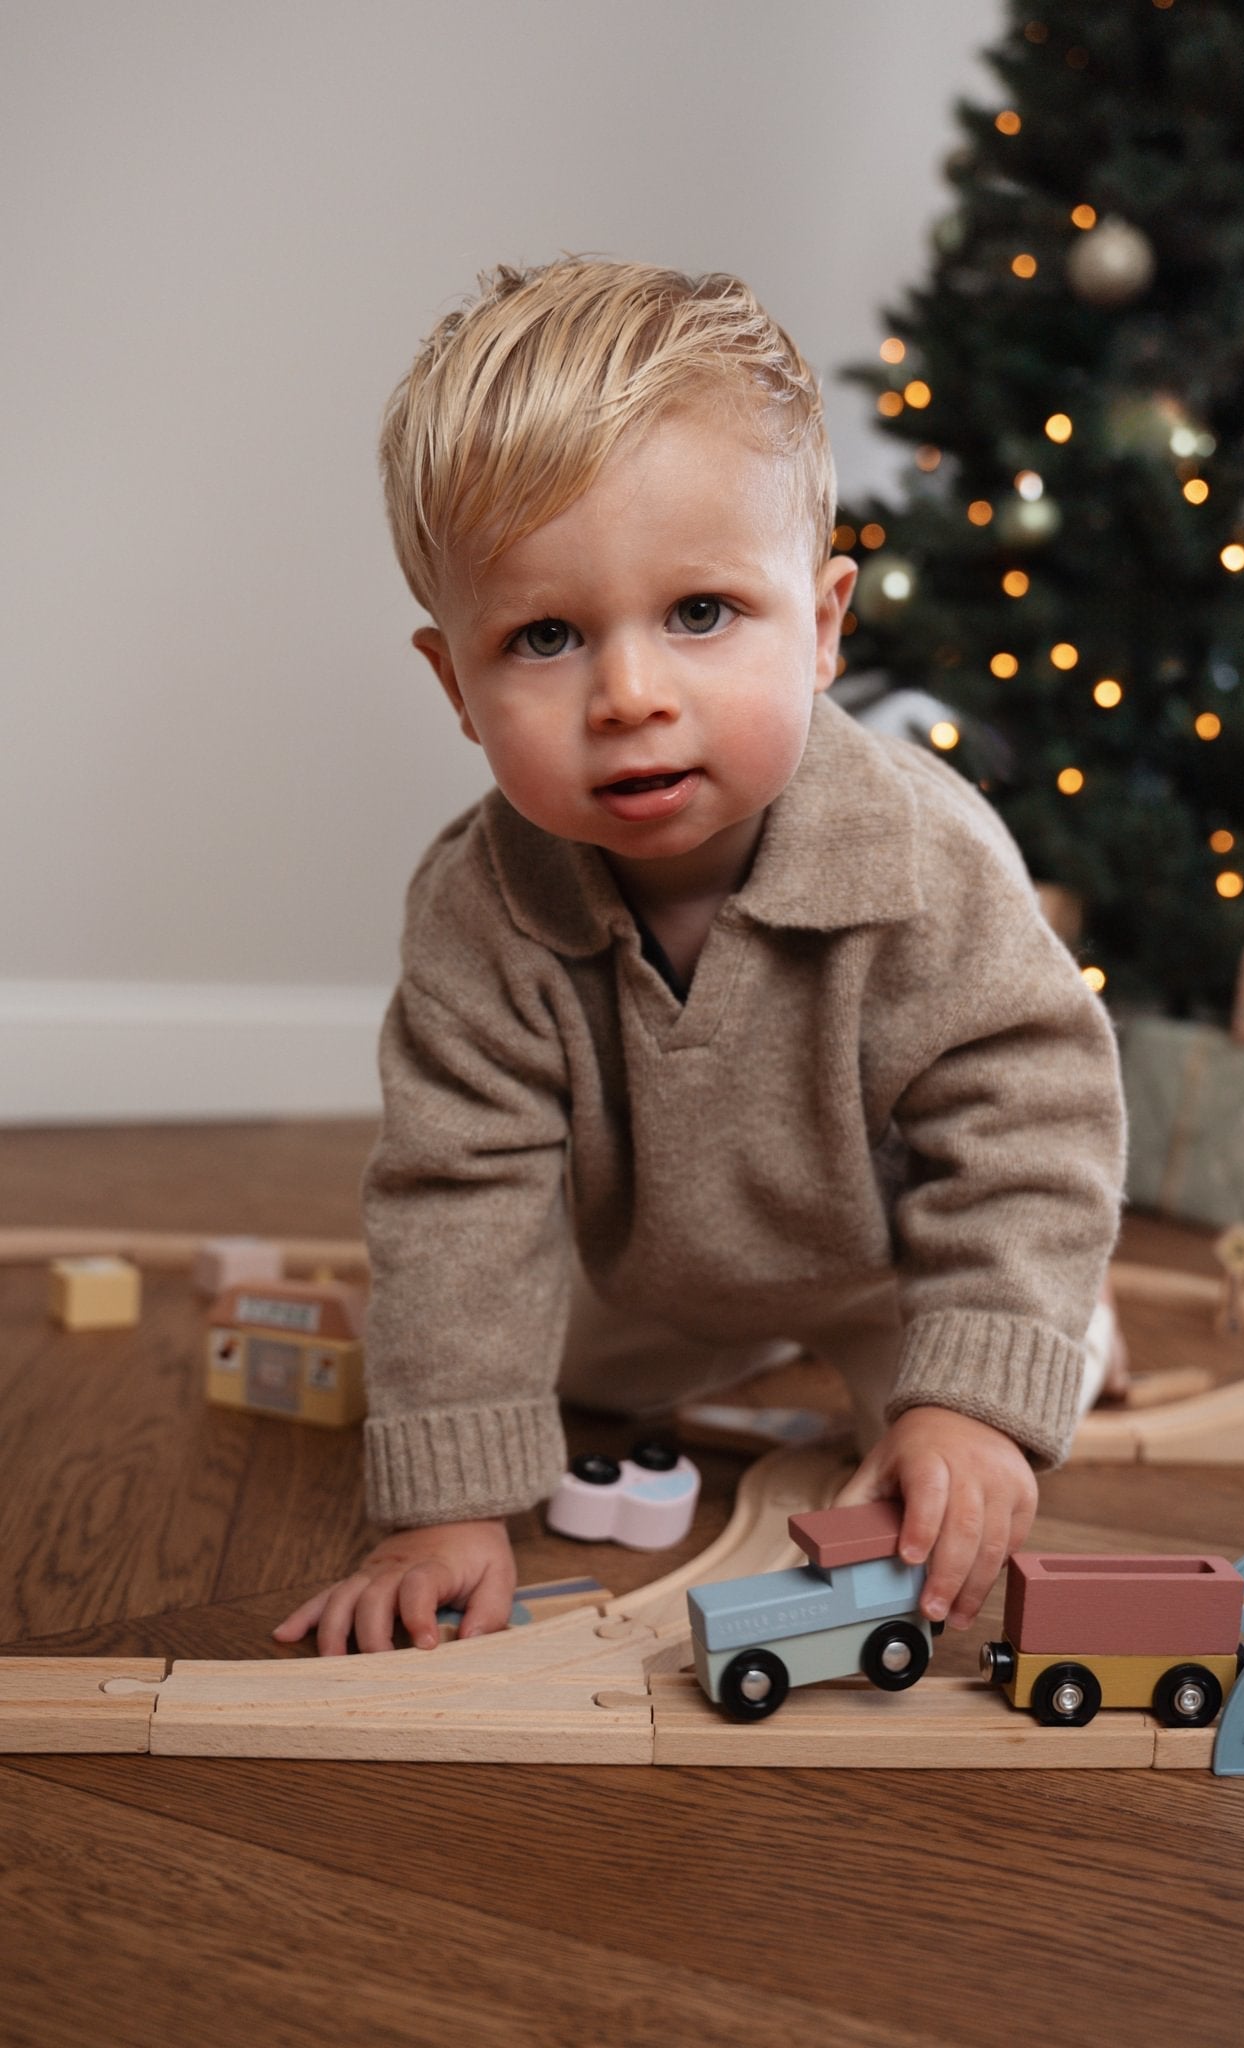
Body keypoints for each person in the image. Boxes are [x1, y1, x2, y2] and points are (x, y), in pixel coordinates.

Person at [274, 258, 1126, 1659]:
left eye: (700, 614)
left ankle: (1038, 1341)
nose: (628, 695)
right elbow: (460, 1196)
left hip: (882, 1271)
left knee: (991, 1400)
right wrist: (448, 1508)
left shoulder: (922, 859)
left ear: (824, 626)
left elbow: (1029, 1120)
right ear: (455, 688)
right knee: (455, 1375)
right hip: (642, 1282)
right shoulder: (476, 906)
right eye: (544, 637)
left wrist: (969, 1401)